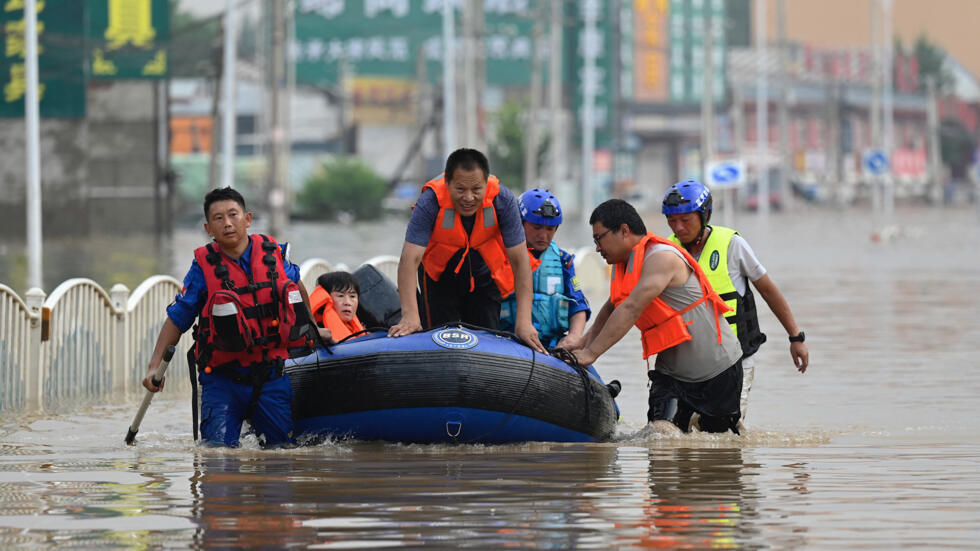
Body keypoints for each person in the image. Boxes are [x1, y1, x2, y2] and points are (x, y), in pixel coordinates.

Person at [141, 187, 323, 448]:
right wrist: (154, 366)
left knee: (280, 458)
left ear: (247, 219)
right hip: (222, 380)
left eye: (233, 215)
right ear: (208, 228)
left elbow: (297, 288)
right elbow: (178, 318)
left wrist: (313, 329)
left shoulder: (274, 256)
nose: (227, 223)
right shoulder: (203, 269)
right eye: (218, 218)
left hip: (271, 376)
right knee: (218, 460)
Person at [569, 199, 744, 434]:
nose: (597, 248)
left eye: (599, 239)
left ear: (624, 231)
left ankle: (701, 420)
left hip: (717, 372)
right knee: (659, 437)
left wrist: (591, 354)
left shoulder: (661, 258)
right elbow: (613, 306)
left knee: (718, 454)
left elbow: (631, 309)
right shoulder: (624, 265)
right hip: (671, 375)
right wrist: (582, 342)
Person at [662, 180, 809, 420]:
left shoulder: (732, 245)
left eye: (685, 220)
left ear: (705, 215)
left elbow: (769, 290)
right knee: (673, 431)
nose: (678, 227)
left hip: (736, 357)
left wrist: (795, 337)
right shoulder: (666, 252)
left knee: (725, 435)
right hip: (688, 358)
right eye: (671, 220)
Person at [387, 148, 546, 353]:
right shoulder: (430, 201)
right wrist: (410, 316)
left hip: (484, 276)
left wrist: (524, 322)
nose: (469, 198)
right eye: (460, 189)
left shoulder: (502, 200)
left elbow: (519, 261)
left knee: (487, 341)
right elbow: (409, 260)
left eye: (476, 189)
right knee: (437, 339)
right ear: (448, 184)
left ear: (486, 185)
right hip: (438, 277)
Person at [499, 189, 591, 349]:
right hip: (506, 342)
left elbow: (578, 303)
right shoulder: (499, 255)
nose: (543, 235)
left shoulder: (564, 261)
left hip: (549, 346)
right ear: (520, 223)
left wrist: (574, 336)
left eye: (550, 229)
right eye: (536, 227)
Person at [309, 271, 365, 342]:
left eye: (352, 296)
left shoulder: (362, 328)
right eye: (340, 296)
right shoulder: (316, 333)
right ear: (326, 298)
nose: (347, 302)